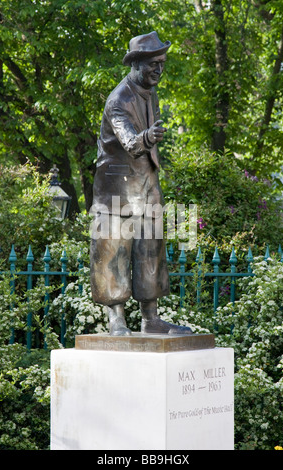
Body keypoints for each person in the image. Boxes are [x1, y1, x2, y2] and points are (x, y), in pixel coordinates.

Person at [90, 31, 192, 336]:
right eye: (153, 65)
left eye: (162, 64)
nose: (159, 70)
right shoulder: (117, 100)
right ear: (135, 64)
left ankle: (151, 318)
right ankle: (117, 321)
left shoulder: (151, 91)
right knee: (113, 252)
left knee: (151, 250)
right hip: (117, 190)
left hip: (147, 185)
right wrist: (147, 137)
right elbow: (131, 143)